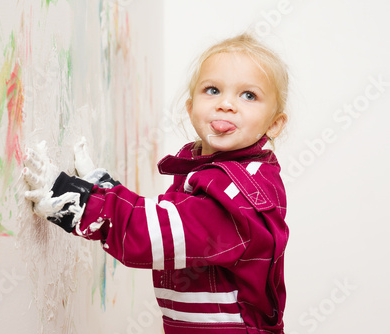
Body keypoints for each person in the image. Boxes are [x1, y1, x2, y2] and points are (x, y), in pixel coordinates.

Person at [23, 33, 290, 334]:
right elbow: (172, 220)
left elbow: (154, 235)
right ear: (190, 108)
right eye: (212, 90)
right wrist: (102, 186)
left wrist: (72, 199)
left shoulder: (239, 194)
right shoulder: (212, 173)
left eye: (249, 95)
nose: (226, 104)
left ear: (274, 124)